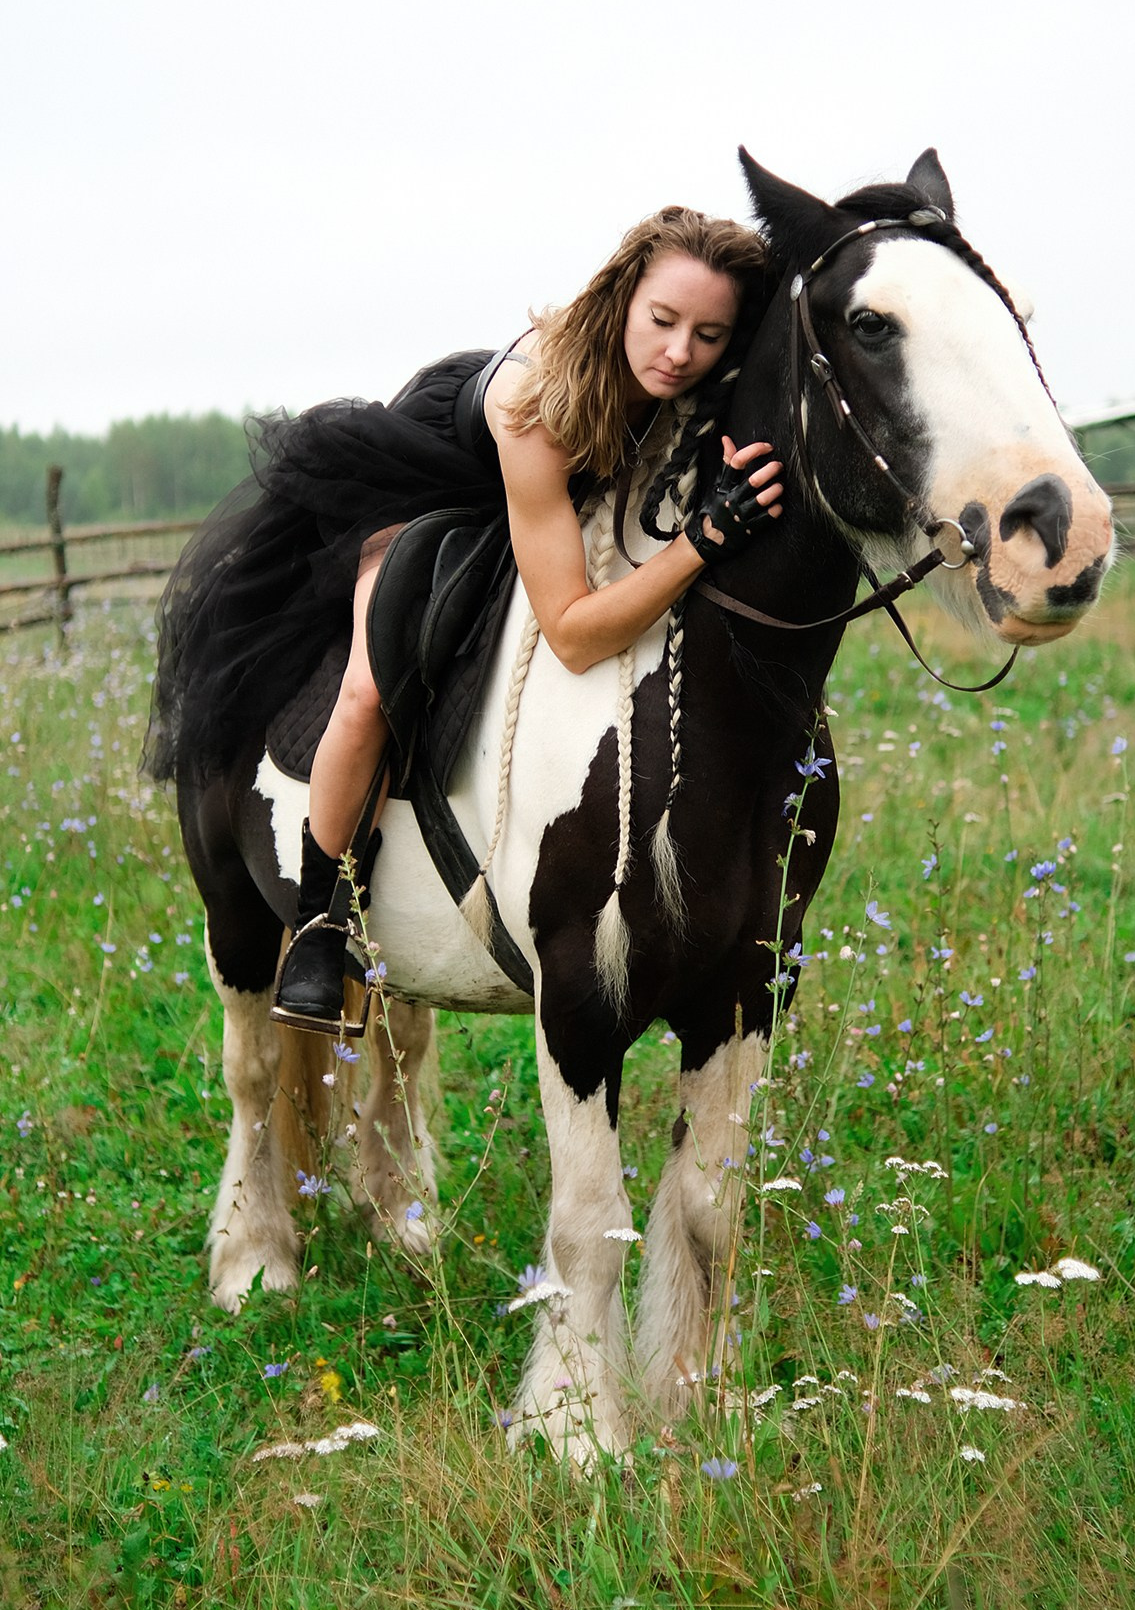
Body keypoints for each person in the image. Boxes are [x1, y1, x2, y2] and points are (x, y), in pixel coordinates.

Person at [145, 207, 783, 1025]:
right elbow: (575, 633)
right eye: (662, 321)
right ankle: (319, 917)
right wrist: (700, 543)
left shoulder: (698, 376)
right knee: (371, 688)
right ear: (625, 298)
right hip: (433, 485)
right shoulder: (540, 409)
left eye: (709, 334)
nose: (679, 352)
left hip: (545, 497)